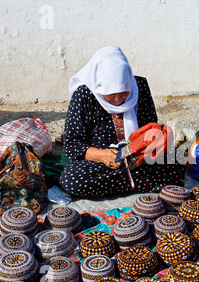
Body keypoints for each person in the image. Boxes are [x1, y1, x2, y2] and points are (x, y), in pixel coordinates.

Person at [59, 45, 186, 198]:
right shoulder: (84, 95)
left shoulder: (140, 86)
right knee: (72, 180)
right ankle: (142, 182)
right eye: (111, 95)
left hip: (139, 157)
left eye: (124, 93)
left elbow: (149, 128)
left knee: (176, 162)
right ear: (99, 87)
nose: (118, 100)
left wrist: (141, 151)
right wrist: (102, 155)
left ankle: (125, 182)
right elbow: (72, 144)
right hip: (101, 161)